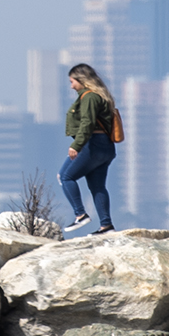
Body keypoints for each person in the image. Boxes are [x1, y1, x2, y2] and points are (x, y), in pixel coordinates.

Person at [60, 63, 117, 234]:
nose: (71, 86)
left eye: (73, 81)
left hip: (92, 144)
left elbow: (87, 122)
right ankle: (106, 226)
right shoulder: (100, 96)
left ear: (82, 80)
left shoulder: (89, 97)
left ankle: (80, 214)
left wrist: (76, 145)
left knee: (65, 176)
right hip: (106, 146)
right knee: (98, 186)